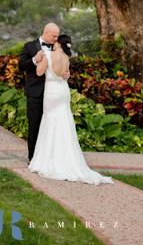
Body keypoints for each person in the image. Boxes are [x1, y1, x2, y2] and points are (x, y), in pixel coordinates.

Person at [28, 34, 113, 185]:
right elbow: (65, 75)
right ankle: (66, 157)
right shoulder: (66, 58)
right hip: (63, 91)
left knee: (50, 121)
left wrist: (39, 59)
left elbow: (39, 72)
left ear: (58, 44)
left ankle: (48, 158)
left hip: (52, 91)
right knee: (64, 121)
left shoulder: (48, 55)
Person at [19, 23, 67, 162]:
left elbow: (64, 65)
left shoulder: (57, 47)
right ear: (45, 32)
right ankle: (32, 157)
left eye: (57, 36)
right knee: (34, 124)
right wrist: (35, 60)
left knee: (51, 124)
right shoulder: (29, 46)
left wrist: (66, 75)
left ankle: (50, 156)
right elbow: (21, 66)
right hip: (35, 92)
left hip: (53, 93)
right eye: (54, 36)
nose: (56, 38)